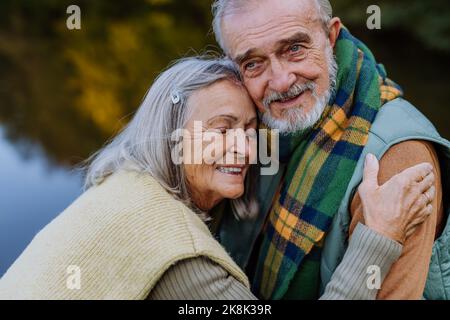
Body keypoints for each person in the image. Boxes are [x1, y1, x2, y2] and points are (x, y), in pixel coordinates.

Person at [0, 57, 436, 300]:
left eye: (250, 131)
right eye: (222, 128)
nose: (247, 151)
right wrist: (378, 237)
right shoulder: (184, 259)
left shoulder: (122, 186)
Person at [211, 0, 450, 300]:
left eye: (295, 48)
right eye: (253, 64)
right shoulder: (258, 131)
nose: (282, 81)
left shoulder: (397, 158)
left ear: (331, 36)